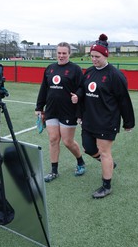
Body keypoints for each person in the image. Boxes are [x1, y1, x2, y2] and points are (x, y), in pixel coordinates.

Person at [72, 34, 135, 198]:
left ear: (105, 55)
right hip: (89, 118)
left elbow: (124, 101)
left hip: (107, 120)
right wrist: (79, 114)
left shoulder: (115, 75)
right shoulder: (90, 72)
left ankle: (106, 186)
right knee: (88, 148)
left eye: (97, 56)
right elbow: (82, 92)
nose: (94, 59)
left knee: (104, 151)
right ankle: (109, 164)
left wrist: (128, 122)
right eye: (92, 56)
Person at [35, 42, 85, 182]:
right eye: (59, 53)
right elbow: (44, 89)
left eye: (64, 53)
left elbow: (82, 88)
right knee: (53, 139)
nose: (61, 55)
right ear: (55, 53)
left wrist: (78, 96)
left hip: (69, 111)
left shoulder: (75, 69)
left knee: (68, 142)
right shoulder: (50, 68)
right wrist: (39, 107)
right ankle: (54, 171)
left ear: (69, 54)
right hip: (51, 110)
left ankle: (80, 161)